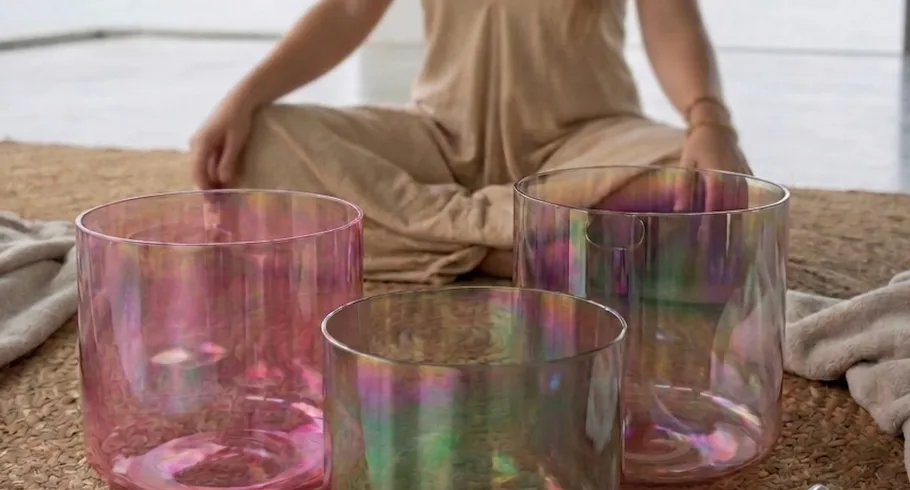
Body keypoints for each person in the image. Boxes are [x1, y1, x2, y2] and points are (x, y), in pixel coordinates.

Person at [190, 0, 751, 284]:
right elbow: (348, 8)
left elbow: (669, 15)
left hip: (585, 143)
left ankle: (438, 242)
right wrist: (244, 96)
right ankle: (518, 246)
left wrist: (710, 122)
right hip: (438, 141)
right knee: (258, 146)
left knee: (696, 187)